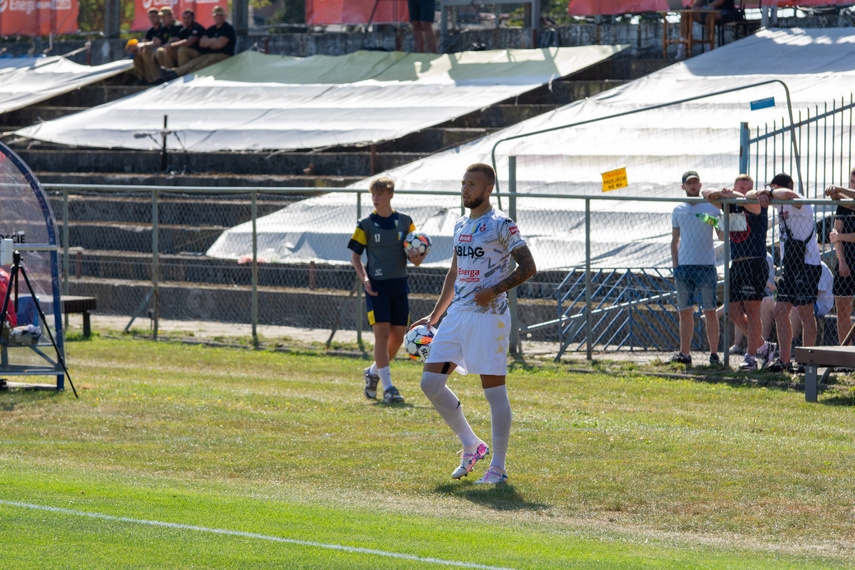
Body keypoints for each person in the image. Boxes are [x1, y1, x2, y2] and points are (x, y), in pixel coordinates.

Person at [410, 163, 536, 485]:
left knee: (494, 392)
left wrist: (493, 290)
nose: (465, 189)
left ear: (488, 188)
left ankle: (498, 468)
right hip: (457, 317)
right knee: (430, 384)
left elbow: (529, 267)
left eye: (472, 184)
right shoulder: (461, 225)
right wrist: (435, 316)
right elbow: (454, 273)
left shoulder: (501, 224)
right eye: (463, 183)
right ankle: (471, 444)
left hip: (489, 317)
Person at [348, 177, 426, 404]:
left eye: (379, 194)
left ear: (390, 195)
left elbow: (415, 258)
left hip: (399, 286)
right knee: (381, 336)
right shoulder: (365, 224)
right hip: (377, 287)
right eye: (373, 195)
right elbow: (355, 255)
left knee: (398, 338)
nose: (375, 199)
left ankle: (373, 372)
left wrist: (417, 256)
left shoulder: (405, 222)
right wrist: (365, 278)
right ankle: (389, 387)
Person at [702, 174, 775, 370]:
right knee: (733, 311)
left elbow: (749, 203)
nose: (742, 192)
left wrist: (734, 194)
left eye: (746, 188)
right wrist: (722, 193)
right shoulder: (731, 204)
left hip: (755, 263)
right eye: (739, 188)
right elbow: (706, 193)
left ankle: (751, 356)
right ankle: (763, 346)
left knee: (752, 311)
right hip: (736, 265)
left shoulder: (757, 202)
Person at [762, 173, 822, 373]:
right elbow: (754, 196)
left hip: (807, 264)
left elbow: (787, 193)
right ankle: (784, 360)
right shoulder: (780, 204)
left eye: (773, 188)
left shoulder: (799, 201)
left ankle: (807, 362)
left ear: (779, 187)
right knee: (780, 311)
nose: (771, 194)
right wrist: (764, 192)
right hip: (790, 265)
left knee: (805, 313)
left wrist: (770, 191)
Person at [669, 171, 723, 366]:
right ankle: (685, 353)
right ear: (683, 186)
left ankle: (715, 354)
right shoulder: (678, 209)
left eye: (695, 182)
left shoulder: (710, 207)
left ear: (700, 185)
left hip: (706, 266)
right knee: (685, 311)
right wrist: (675, 265)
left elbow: (722, 235)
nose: (693, 185)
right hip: (683, 267)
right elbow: (675, 239)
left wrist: (721, 219)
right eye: (689, 183)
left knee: (710, 311)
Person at [162, 6, 236, 80]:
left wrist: (209, 41)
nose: (218, 17)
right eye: (216, 15)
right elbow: (202, 43)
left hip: (223, 56)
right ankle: (174, 73)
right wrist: (214, 40)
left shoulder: (228, 28)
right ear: (213, 16)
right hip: (209, 54)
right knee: (193, 63)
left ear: (224, 16)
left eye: (220, 15)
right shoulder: (211, 29)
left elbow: (219, 45)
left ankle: (177, 75)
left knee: (200, 67)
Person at [824, 169, 855, 345]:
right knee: (842, 311)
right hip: (847, 259)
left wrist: (840, 237)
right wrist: (842, 261)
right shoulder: (843, 204)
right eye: (851, 182)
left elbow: (839, 236)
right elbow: (835, 232)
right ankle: (846, 355)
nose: (853, 185)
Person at [788, 261, 833, 351]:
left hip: (821, 304)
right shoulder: (801, 266)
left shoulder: (821, 267)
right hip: (809, 301)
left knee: (796, 308)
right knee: (790, 306)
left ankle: (794, 341)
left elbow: (816, 293)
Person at [127, 8, 170, 85]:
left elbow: (156, 43)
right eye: (150, 17)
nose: (152, 19)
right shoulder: (150, 30)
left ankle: (156, 78)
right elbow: (144, 42)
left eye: (154, 16)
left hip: (160, 50)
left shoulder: (162, 28)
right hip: (152, 50)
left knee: (145, 52)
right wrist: (137, 47)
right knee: (136, 54)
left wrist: (143, 46)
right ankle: (145, 78)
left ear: (158, 17)